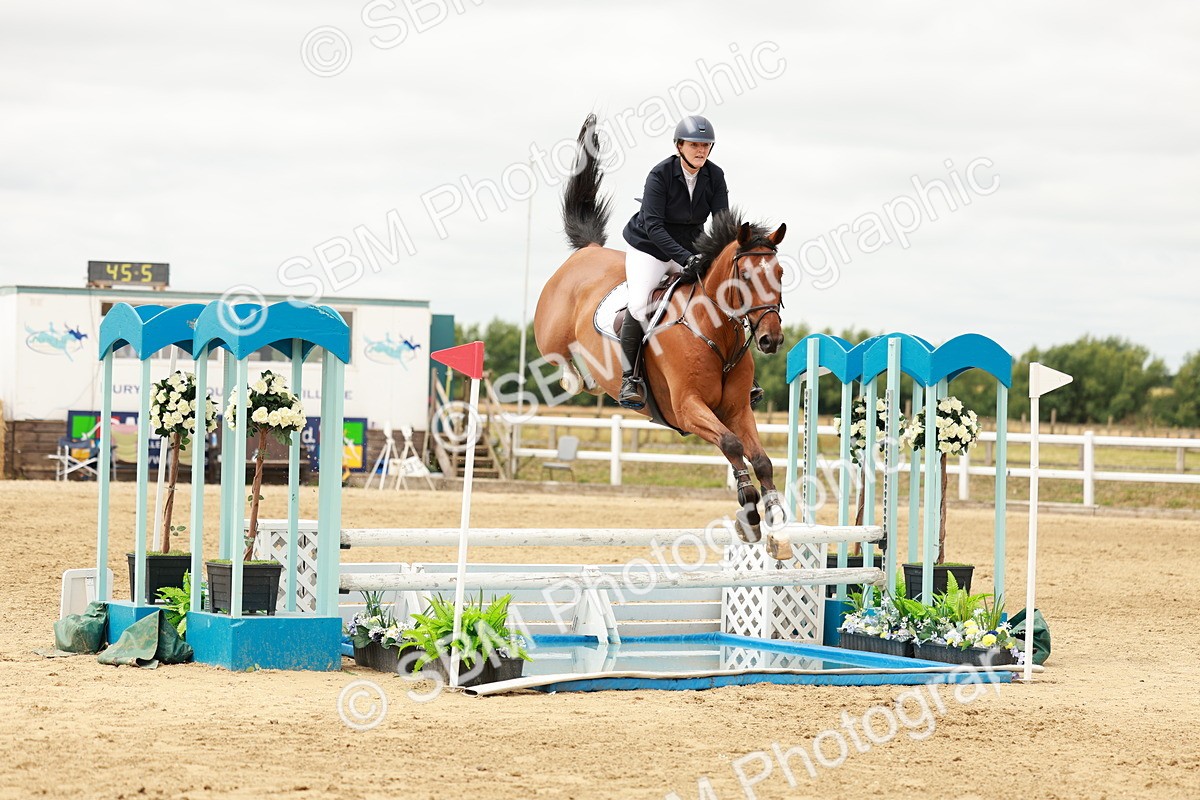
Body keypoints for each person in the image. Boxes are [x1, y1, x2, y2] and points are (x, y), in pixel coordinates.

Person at [619, 115, 760, 410]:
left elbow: (722, 223)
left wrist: (718, 257)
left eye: (706, 145)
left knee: (723, 294)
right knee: (638, 302)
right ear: (679, 145)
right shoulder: (659, 175)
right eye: (695, 144)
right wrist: (687, 258)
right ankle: (629, 378)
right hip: (650, 248)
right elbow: (654, 226)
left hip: (690, 248)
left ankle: (742, 374)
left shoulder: (715, 176)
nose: (701, 150)